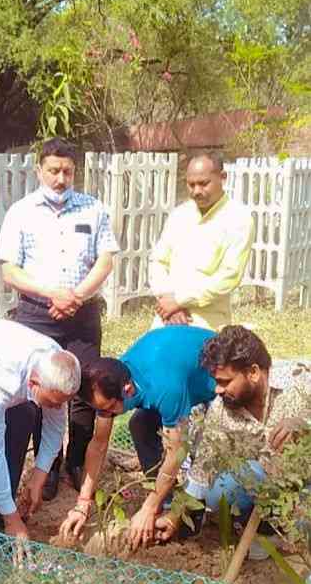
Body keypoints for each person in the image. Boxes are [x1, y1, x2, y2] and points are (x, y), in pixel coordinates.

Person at [0, 137, 119, 500]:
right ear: (39, 170)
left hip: (82, 314)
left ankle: (77, 461)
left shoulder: (93, 209)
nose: (60, 178)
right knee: (40, 388)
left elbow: (106, 260)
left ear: (75, 171)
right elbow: (9, 270)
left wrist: (76, 296)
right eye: (53, 170)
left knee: (83, 388)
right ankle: (46, 465)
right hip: (37, 314)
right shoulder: (20, 211)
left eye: (67, 171)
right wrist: (54, 295)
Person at [155, 326, 311, 553]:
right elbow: (202, 469)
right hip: (269, 480)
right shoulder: (221, 409)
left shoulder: (300, 383)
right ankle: (268, 528)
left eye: (225, 381)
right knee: (220, 490)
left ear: (253, 373)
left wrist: (303, 424)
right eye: (215, 381)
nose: (217, 389)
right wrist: (173, 517)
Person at [59, 325, 216, 549]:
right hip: (173, 366)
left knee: (203, 452)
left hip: (214, 383)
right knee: (139, 424)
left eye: (110, 409)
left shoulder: (164, 388)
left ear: (128, 389)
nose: (107, 415)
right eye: (102, 410)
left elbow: (177, 452)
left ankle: (188, 512)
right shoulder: (108, 381)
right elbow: (99, 444)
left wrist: (148, 507)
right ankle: (165, 500)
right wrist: (82, 503)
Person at [0, 318, 81, 540]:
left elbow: (55, 426)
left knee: (23, 417)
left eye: (61, 402)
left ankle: (0, 508)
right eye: (51, 402)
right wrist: (12, 520)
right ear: (33, 383)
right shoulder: (4, 380)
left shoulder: (56, 362)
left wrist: (38, 477)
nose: (57, 408)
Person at [149, 152, 254, 330]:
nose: (197, 191)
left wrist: (180, 300)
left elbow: (229, 276)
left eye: (204, 184)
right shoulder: (180, 214)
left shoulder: (239, 218)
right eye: (191, 185)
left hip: (206, 319)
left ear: (222, 177)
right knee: (143, 357)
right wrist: (168, 299)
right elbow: (158, 261)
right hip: (167, 315)